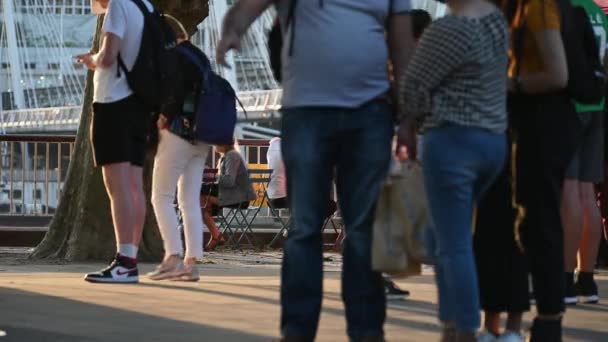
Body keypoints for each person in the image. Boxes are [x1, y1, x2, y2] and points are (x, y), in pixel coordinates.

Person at [218, 1, 416, 340]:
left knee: (363, 229)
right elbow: (244, 9)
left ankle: (367, 332)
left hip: (369, 111)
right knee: (306, 226)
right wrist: (231, 32)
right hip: (307, 111)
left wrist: (409, 118)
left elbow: (403, 45)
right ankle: (297, 331)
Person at [398, 1, 508, 341]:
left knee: (454, 243)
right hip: (492, 141)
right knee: (446, 236)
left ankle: (463, 329)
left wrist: (409, 125)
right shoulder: (497, 24)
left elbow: (412, 89)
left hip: (452, 141)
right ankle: (451, 323)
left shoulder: (446, 30)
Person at [502, 0, 581, 339]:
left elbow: (557, 73)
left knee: (540, 222)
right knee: (535, 221)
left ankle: (549, 318)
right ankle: (546, 315)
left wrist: (513, 83)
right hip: (542, 124)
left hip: (543, 124)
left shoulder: (539, 6)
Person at [77, 0, 154, 283]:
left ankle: (124, 263)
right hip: (138, 106)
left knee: (118, 188)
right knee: (135, 187)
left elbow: (109, 57)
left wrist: (91, 60)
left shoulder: (118, 7)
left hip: (113, 103)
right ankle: (130, 258)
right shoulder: (145, 6)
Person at [146, 28, 211, 282]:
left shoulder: (173, 56)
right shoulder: (200, 57)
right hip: (203, 136)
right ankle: (191, 263)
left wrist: (164, 116)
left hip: (177, 133)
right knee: (189, 200)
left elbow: (173, 88)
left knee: (161, 196)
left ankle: (172, 256)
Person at [561, 0, 608, 305]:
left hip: (569, 105)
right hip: (597, 104)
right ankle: (586, 280)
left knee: (569, 190)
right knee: (588, 192)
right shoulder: (597, 13)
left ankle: (564, 281)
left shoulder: (564, 9)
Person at [200, 143, 256, 251]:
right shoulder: (226, 156)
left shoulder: (232, 155)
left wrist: (213, 176)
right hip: (232, 194)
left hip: (240, 198)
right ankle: (216, 235)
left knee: (201, 197)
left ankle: (216, 235)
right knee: (201, 198)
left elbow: (229, 181)